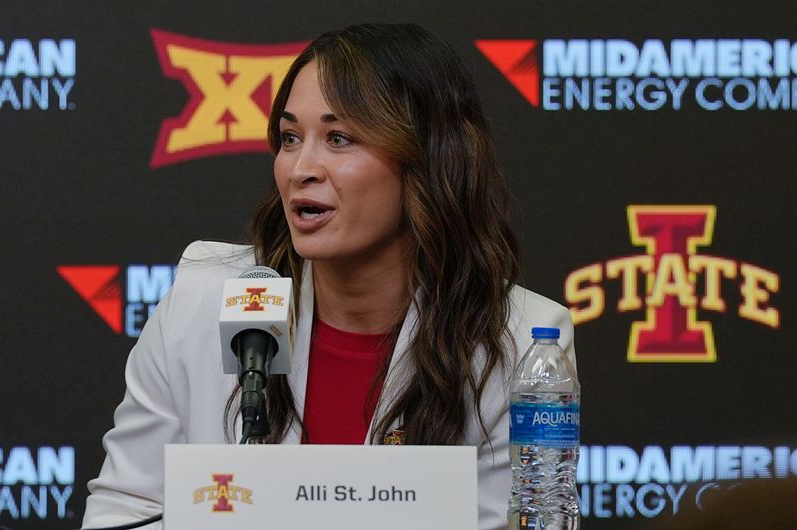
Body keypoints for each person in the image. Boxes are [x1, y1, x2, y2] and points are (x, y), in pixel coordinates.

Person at [82, 23, 576, 530]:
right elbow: (122, 514)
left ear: (428, 161)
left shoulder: (520, 340)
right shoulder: (205, 300)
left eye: (338, 139)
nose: (300, 168)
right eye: (291, 137)